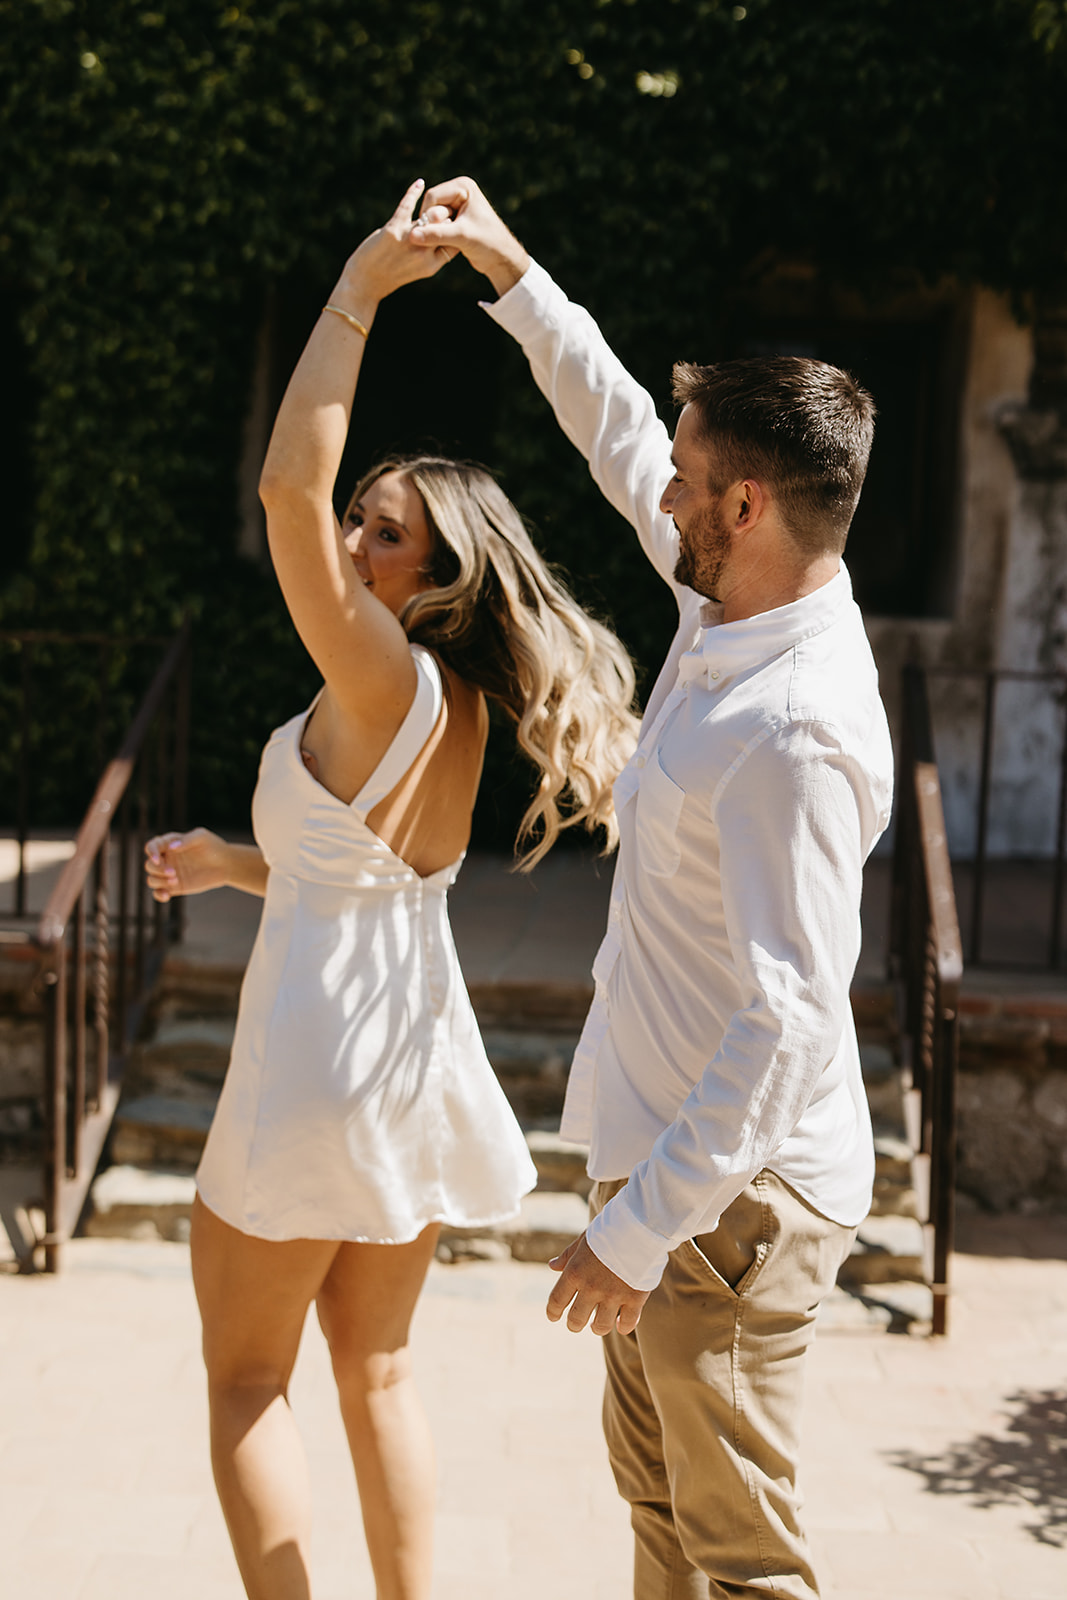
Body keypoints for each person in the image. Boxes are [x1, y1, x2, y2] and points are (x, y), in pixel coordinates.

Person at [143, 179, 639, 1600]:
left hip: (314, 1057)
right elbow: (357, 867)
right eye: (360, 519)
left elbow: (280, 489)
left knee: (246, 1383)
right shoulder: (457, 709)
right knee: (380, 1367)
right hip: (404, 1054)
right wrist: (234, 863)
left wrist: (360, 289)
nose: (349, 543)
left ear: (433, 585)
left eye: (383, 534)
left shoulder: (380, 673)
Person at [411, 180, 894, 1599]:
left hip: (729, 1207)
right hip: (669, 1169)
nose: (661, 489)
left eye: (690, 481)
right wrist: (511, 272)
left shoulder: (798, 727)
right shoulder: (727, 593)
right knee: (664, 1526)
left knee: (744, 1564)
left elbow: (791, 1017)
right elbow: (619, 422)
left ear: (745, 504)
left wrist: (635, 1233)